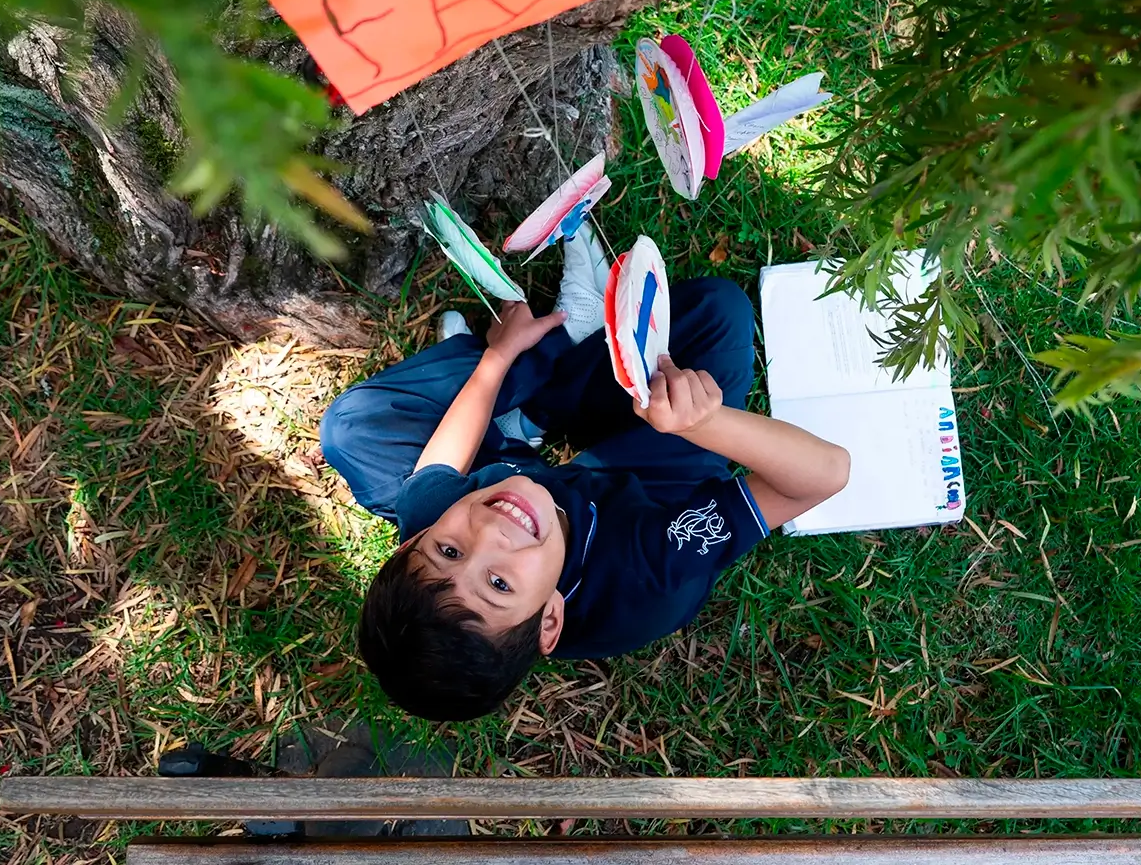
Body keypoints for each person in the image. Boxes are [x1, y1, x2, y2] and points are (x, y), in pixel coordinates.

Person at [318, 232, 851, 721]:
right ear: (550, 619)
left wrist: (499, 357)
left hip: (536, 485)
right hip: (644, 494)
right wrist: (705, 423)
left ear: (411, 540)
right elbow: (824, 474)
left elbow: (438, 468)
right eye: (499, 584)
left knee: (354, 430)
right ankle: (554, 382)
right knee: (719, 309)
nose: (488, 536)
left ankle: (550, 366)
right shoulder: (649, 573)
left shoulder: (442, 523)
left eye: (450, 552)